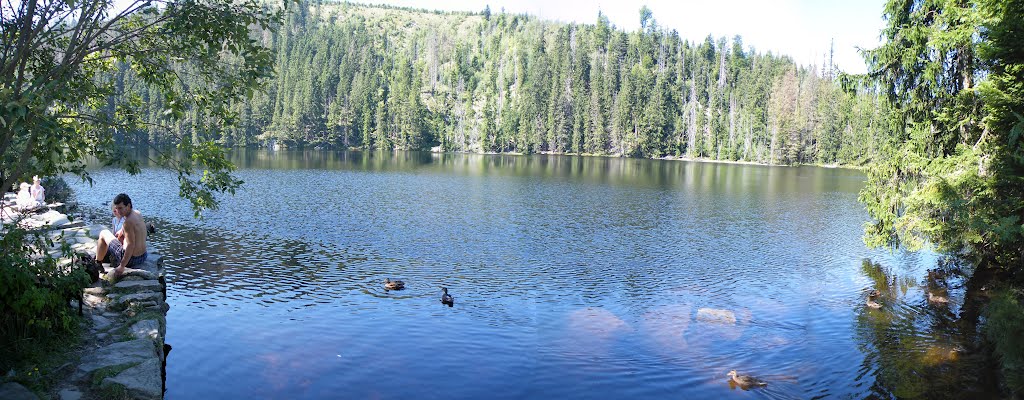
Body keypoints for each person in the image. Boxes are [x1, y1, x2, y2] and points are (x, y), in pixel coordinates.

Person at [96, 193, 148, 278]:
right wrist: (122, 231)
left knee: (103, 233)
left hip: (131, 260)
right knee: (118, 237)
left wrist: (122, 266)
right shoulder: (137, 213)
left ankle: (98, 263)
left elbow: (131, 245)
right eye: (116, 208)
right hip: (143, 256)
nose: (118, 211)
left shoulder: (127, 223)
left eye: (120, 208)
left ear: (128, 206)